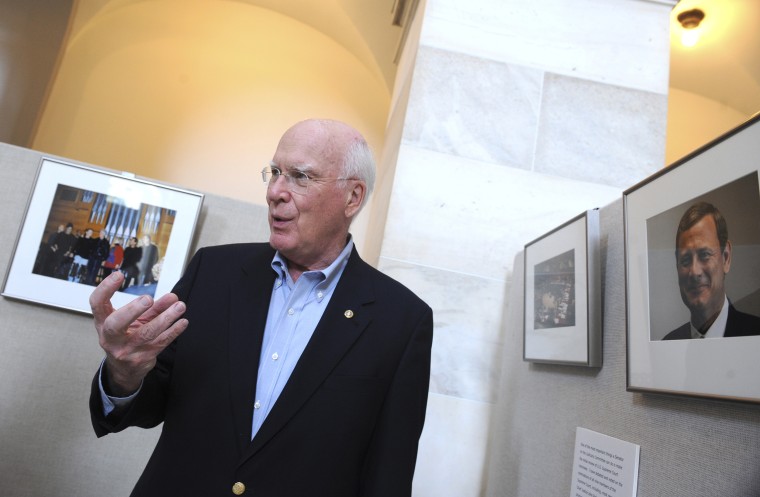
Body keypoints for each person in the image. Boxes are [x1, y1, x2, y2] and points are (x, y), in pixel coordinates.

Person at [88, 119, 434, 496]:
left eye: (301, 177)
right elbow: (151, 402)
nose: (275, 192)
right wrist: (123, 373)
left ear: (353, 197)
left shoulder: (401, 321)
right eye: (275, 173)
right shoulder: (213, 272)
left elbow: (389, 474)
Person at [663, 201, 760, 340]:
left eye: (704, 255)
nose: (695, 271)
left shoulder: (756, 333)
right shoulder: (668, 344)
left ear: (726, 258)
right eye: (685, 260)